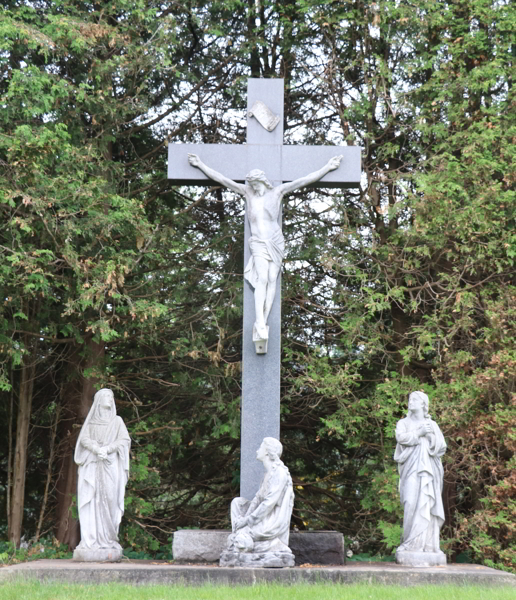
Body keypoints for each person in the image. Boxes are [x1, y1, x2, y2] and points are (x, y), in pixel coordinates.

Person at [187, 153, 343, 341]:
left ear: (263, 181)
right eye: (252, 185)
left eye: (257, 184)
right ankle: (259, 321)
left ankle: (265, 318)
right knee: (261, 278)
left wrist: (327, 168)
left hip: (275, 240)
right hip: (259, 242)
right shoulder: (247, 192)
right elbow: (222, 179)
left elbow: (303, 181)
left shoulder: (277, 192)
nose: (255, 188)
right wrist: (200, 164)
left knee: (271, 278)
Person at [74, 388, 131, 551]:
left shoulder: (117, 421)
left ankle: (108, 539)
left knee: (110, 500)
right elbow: (84, 439)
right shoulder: (91, 423)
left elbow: (124, 440)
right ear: (98, 400)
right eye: (106, 396)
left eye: (111, 396)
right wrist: (96, 449)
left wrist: (107, 449)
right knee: (93, 501)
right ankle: (92, 540)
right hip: (92, 465)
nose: (110, 399)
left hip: (110, 466)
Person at [394, 391, 446, 555]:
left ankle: (428, 545)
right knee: (410, 501)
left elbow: (441, 447)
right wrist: (419, 433)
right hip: (411, 468)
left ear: (423, 404)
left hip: (429, 471)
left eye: (415, 400)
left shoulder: (432, 424)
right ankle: (410, 543)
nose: (411, 402)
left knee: (427, 503)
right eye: (410, 399)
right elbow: (401, 438)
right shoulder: (403, 423)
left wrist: (430, 437)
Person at [225, 437, 294, 557]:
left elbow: (268, 504)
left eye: (260, 447)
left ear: (267, 452)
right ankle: (241, 535)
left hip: (270, 520)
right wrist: (245, 518)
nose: (257, 450)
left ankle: (244, 540)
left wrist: (246, 521)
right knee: (237, 502)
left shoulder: (279, 473)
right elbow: (257, 499)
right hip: (259, 516)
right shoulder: (267, 473)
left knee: (240, 537)